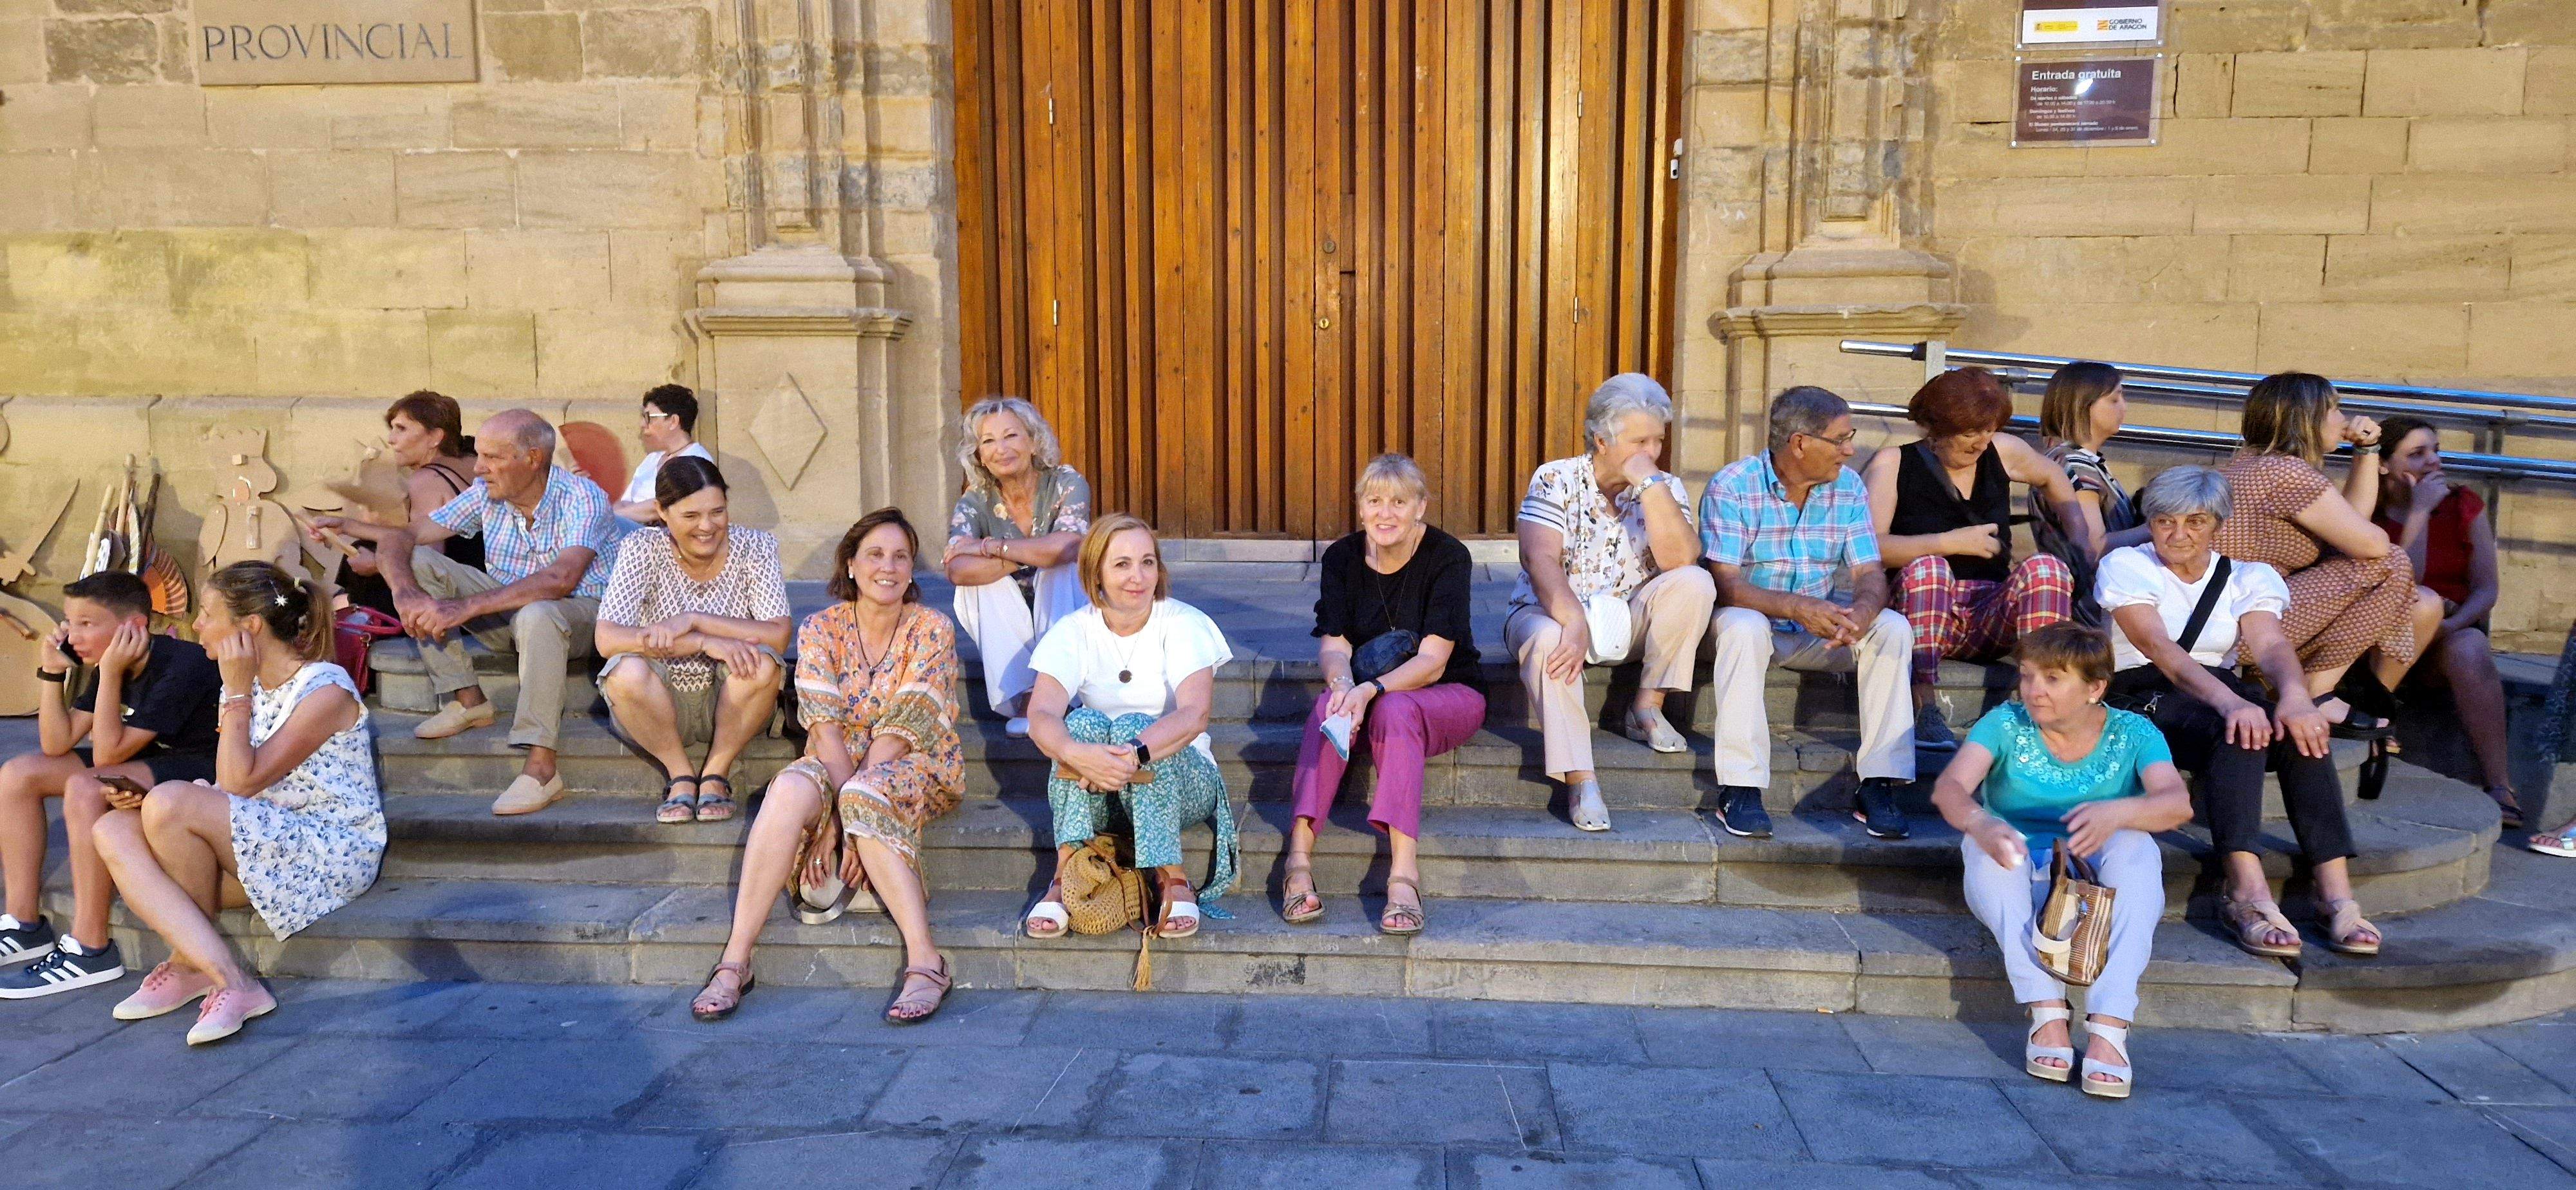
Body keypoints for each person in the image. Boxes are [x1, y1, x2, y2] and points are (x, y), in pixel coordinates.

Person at [90, 562, 383, 1045]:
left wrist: (239, 691)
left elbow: (239, 782)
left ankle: (215, 975)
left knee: (169, 803)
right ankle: (202, 969)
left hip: (327, 852)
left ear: (249, 627)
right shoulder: (240, 685)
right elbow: (234, 790)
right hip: (262, 842)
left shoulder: (326, 690)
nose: (196, 626)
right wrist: (148, 803)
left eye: (207, 614)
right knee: (113, 828)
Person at [690, 509, 964, 1025]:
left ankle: (928, 963)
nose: (889, 566)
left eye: (901, 556)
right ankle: (735, 961)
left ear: (911, 569)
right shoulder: (821, 627)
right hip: (837, 758)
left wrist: (842, 822)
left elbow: (902, 729)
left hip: (915, 760)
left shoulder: (932, 628)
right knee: (790, 789)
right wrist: (845, 815)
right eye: (875, 555)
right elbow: (824, 728)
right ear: (852, 565)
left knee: (864, 795)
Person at [2101, 466, 2381, 958]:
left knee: (2298, 731)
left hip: (2219, 691)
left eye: (2196, 522)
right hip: (2143, 694)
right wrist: (2232, 702)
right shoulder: (2128, 564)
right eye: (2166, 521)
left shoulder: (2248, 576)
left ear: (2217, 525)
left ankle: (2334, 892)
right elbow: (2158, 647)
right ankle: (2246, 893)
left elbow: (2271, 646)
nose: (2179, 534)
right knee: (2239, 727)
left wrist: (2295, 697)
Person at [312, 409, 624, 818]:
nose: (479, 468)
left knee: (539, 614)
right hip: (511, 614)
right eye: (479, 456)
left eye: (492, 458)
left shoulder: (583, 497)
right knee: (421, 560)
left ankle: (542, 767)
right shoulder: (485, 494)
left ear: (533, 458)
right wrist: (403, 590)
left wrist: (462, 607)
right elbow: (407, 536)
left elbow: (560, 579)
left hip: (583, 617)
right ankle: (468, 699)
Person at [1930, 623, 2192, 1100]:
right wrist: (1980, 821)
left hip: (2090, 876)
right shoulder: (2006, 723)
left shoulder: (2134, 732)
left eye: (2053, 679)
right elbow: (1950, 789)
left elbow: (2177, 804)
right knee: (1993, 848)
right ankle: (2047, 1013)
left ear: (2095, 688)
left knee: (2138, 849)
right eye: (2028, 676)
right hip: (2018, 867)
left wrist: (2120, 811)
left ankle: (2110, 1027)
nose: (2034, 690)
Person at [1504, 373, 1716, 833]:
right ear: (1601, 440)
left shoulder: (1665, 486)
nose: (1652, 452)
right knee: (1548, 639)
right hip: (1549, 612)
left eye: (1658, 440)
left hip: (1626, 621)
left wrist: (1649, 486)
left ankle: (1648, 705)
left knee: (1696, 583)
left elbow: (1681, 559)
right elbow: (1538, 557)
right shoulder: (1556, 477)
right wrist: (1572, 619)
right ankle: (1581, 777)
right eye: (1640, 440)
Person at [1282, 454, 1484, 934]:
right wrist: (1343, 687)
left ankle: (1403, 875)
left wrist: (1370, 689)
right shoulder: (1342, 558)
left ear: (1421, 507)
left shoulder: (1448, 556)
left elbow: (1433, 661)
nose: (1386, 513)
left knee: (1394, 707)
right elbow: (1333, 645)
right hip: (1367, 696)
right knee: (1325, 706)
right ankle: (1297, 861)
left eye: (1399, 501)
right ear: (1361, 507)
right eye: (1375, 501)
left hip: (1448, 694)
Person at [1703, 387, 1916, 840]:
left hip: (1821, 630)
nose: (1850, 449)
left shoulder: (1848, 486)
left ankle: (1879, 784)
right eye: (1840, 438)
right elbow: (1725, 583)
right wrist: (1798, 608)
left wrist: (1861, 611)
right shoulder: (1733, 485)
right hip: (1755, 623)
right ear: (1800, 443)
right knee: (1742, 627)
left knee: (1892, 628)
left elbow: (1869, 570)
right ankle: (1740, 787)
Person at [0, 571, 222, 999]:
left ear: (134, 626)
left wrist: (112, 673)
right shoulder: (111, 665)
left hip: (201, 767)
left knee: (86, 786)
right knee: (19, 774)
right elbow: (55, 742)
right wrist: (50, 674)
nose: (73, 634)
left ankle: (90, 948)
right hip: (147, 759)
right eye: (71, 622)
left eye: (87, 623)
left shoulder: (183, 665)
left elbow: (107, 756)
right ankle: (25, 925)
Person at [1021, 514, 1240, 941]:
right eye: (1121, 564)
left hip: (1184, 782)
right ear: (1096, 572)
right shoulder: (1074, 631)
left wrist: (1133, 751)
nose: (1138, 577)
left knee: (1137, 724)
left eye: (1147, 562)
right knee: (1079, 724)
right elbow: (1040, 716)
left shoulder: (1182, 623)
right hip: (1101, 783)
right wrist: (1076, 752)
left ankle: (1171, 875)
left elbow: (1194, 715)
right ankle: (1066, 872)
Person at [1864, 366, 2087, 750]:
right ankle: (1924, 707)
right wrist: (1948, 543)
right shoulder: (1893, 463)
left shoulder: (2002, 450)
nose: (1981, 441)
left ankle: (2040, 710)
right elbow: (1870, 547)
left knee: (2046, 568)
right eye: (1970, 432)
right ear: (1936, 430)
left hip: (1989, 610)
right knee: (1929, 569)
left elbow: (2055, 477)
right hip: (1924, 611)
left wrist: (2081, 539)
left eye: (1988, 429)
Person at [2215, 372, 2439, 738]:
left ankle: (2306, 688)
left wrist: (2366, 453)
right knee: (2392, 561)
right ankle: (2318, 693)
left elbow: (2351, 525)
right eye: (2334, 409)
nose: (2344, 419)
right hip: (2246, 629)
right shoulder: (2286, 473)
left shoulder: (2249, 464)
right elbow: (2372, 546)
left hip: (2230, 620)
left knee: (2379, 560)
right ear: (2307, 419)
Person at [593, 458, 791, 825]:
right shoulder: (641, 546)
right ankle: (680, 774)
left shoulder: (756, 546)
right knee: (625, 672)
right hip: (658, 700)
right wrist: (700, 642)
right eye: (690, 516)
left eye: (718, 512)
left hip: (734, 702)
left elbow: (778, 634)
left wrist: (695, 620)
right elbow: (607, 638)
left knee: (762, 663)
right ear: (661, 512)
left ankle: (716, 772)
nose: (707, 526)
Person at [2369, 416, 2524, 835]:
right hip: (2378, 640)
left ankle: (2500, 786)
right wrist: (2418, 513)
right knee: (2423, 603)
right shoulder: (2364, 508)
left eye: (2435, 450)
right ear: (2383, 465)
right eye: (2417, 454)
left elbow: (2487, 588)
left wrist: (2452, 623)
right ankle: (2372, 722)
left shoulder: (2463, 503)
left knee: (2471, 647)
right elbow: (2400, 587)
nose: (2433, 461)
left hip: (2444, 639)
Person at [944, 397, 1092, 737]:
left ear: (1033, 440)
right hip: (1010, 607)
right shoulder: (974, 500)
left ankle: (1055, 687)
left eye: (1011, 436)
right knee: (979, 583)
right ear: (978, 454)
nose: (1001, 449)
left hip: (1067, 597)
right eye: (989, 441)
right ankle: (1026, 694)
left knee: (1061, 567)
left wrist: (992, 548)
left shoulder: (1067, 483)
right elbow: (957, 569)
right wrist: (1031, 556)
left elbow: (1067, 546)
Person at [334, 390, 487, 616]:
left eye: (402, 429)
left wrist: (375, 565)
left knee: (343, 602)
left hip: (458, 605)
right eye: (392, 429)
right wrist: (345, 525)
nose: (391, 439)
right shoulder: (473, 461)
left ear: (436, 437)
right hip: (485, 584)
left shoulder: (428, 479)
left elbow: (428, 563)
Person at [2028, 362, 2141, 619]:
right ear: (2083, 406)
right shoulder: (2076, 465)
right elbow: (2094, 547)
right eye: (2114, 400)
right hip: (2090, 611)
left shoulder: (2077, 460)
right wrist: (2156, 529)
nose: (2124, 407)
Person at [611, 384, 714, 526]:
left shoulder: (697, 460)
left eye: (649, 417)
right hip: (630, 531)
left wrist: (613, 516)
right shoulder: (652, 459)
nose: (643, 424)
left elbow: (664, 508)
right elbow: (625, 502)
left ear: (673, 422)